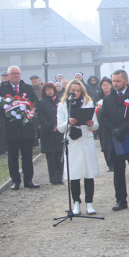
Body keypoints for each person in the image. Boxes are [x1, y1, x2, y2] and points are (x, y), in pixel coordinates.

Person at [99, 69, 129, 211]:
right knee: (118, 171)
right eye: (113, 81)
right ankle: (121, 200)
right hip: (116, 138)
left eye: (118, 81)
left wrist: (122, 129)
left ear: (125, 81)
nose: (115, 84)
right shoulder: (107, 99)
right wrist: (114, 130)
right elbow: (103, 117)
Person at [58, 80, 100, 215]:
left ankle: (89, 203)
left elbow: (96, 125)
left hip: (86, 141)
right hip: (72, 142)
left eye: (77, 90)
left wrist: (91, 123)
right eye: (73, 90)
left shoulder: (88, 102)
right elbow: (60, 128)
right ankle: (76, 203)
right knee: (74, 175)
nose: (75, 93)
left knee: (89, 174)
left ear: (81, 91)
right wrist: (68, 122)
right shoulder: (63, 105)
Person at [0, 65, 40, 189]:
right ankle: (15, 180)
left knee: (27, 155)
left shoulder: (28, 88)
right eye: (13, 73)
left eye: (18, 73)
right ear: (8, 75)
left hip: (26, 127)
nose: (16, 75)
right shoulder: (2, 89)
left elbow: (34, 103)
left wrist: (29, 110)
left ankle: (28, 180)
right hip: (11, 128)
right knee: (13, 156)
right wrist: (6, 110)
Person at [37, 83, 63, 184]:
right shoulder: (41, 102)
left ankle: (60, 177)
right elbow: (41, 118)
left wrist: (59, 125)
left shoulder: (60, 100)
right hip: (48, 133)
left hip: (59, 132)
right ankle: (54, 179)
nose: (50, 91)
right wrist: (51, 127)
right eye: (47, 89)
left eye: (51, 89)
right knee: (51, 158)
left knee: (60, 156)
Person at [95, 77, 114, 171]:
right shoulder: (98, 97)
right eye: (104, 85)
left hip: (113, 122)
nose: (106, 87)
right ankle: (109, 164)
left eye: (107, 85)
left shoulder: (114, 95)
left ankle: (115, 162)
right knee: (104, 144)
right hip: (102, 124)